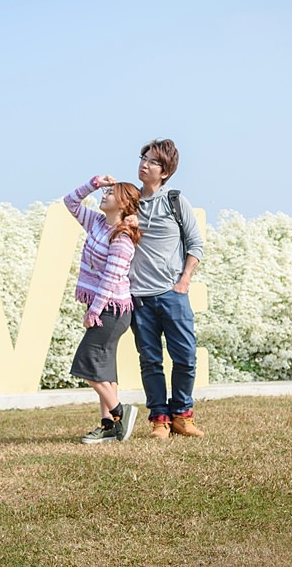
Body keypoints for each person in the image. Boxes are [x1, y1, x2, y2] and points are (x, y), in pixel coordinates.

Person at [128, 139, 205, 439]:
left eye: (152, 161)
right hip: (140, 299)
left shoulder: (175, 202)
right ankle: (160, 419)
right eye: (143, 158)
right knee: (150, 360)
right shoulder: (129, 202)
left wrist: (184, 281)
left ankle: (182, 415)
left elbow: (196, 244)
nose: (144, 164)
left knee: (185, 356)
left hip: (173, 294)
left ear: (165, 171)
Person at [63, 175, 142, 444]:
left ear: (123, 203)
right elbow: (70, 202)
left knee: (87, 364)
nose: (104, 195)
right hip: (102, 306)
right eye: (104, 191)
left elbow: (111, 278)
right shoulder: (97, 222)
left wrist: (94, 311)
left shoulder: (122, 238)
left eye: (110, 192)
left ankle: (121, 412)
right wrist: (93, 183)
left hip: (112, 309)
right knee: (105, 370)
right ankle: (108, 425)